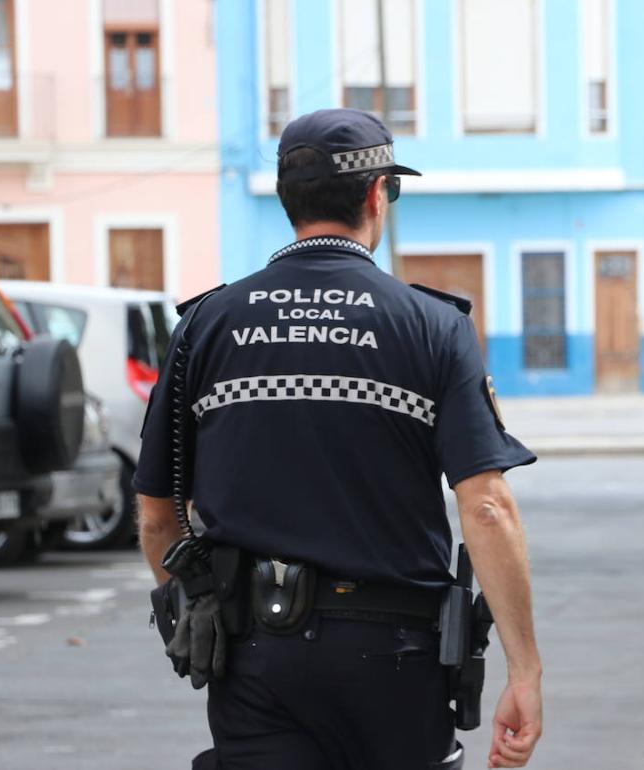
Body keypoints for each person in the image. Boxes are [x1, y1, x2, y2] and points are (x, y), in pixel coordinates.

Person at [135, 108, 543, 770]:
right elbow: (488, 506)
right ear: (377, 194)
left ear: (288, 200)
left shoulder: (207, 324)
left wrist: (192, 604)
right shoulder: (433, 327)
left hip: (255, 658)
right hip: (397, 661)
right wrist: (526, 671)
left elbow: (158, 515)